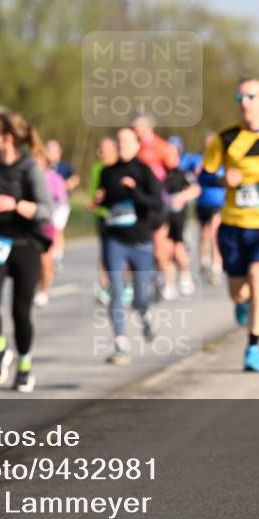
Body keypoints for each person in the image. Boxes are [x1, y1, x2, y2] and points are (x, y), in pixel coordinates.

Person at [202, 77, 259, 373]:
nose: (244, 102)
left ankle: (253, 347)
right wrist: (221, 180)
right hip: (233, 224)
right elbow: (204, 175)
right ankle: (242, 305)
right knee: (239, 292)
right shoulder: (225, 138)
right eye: (239, 97)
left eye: (251, 96)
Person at [0, 111, 53, 392]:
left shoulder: (29, 167)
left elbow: (46, 211)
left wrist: (15, 204)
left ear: (7, 137)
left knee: (21, 312)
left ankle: (24, 367)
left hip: (25, 243)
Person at [95, 126, 163, 365]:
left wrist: (135, 192)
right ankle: (120, 344)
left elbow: (156, 203)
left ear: (136, 145)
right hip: (115, 239)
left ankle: (145, 316)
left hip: (141, 240)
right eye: (119, 141)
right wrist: (99, 201)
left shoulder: (145, 172)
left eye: (127, 141)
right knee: (115, 290)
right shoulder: (107, 172)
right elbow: (106, 201)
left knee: (140, 297)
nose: (122, 145)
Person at [131, 114, 180, 296]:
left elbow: (175, 173)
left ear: (148, 128)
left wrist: (162, 189)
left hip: (157, 203)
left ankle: (168, 281)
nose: (136, 132)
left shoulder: (162, 147)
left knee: (159, 249)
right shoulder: (131, 149)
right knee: (136, 246)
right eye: (133, 129)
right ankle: (136, 286)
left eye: (138, 129)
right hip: (136, 202)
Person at [161, 136, 201, 299]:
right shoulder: (159, 173)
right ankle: (168, 284)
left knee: (178, 250)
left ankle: (185, 277)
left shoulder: (182, 173)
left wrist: (182, 197)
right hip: (162, 218)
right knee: (164, 251)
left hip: (178, 218)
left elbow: (196, 189)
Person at [33, 145, 67, 308]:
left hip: (48, 224)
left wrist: (57, 222)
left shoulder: (55, 179)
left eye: (39, 162)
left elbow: (62, 203)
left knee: (46, 263)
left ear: (46, 163)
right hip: (29, 226)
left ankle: (43, 290)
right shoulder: (26, 178)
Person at [87, 136, 119, 306]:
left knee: (123, 251)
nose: (100, 153)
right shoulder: (96, 167)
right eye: (99, 149)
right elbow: (94, 192)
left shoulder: (122, 166)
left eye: (104, 149)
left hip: (121, 215)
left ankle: (125, 286)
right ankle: (106, 287)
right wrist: (92, 202)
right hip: (103, 214)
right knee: (105, 252)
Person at [195, 132, 226, 282]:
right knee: (204, 234)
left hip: (218, 203)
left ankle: (216, 266)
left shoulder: (223, 160)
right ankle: (204, 261)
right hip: (202, 202)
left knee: (215, 232)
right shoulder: (199, 161)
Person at [45, 139, 78, 270]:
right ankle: (49, 254)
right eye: (48, 151)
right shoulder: (42, 166)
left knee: (57, 230)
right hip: (47, 203)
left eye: (54, 151)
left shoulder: (64, 166)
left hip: (61, 204)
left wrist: (65, 186)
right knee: (48, 230)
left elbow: (75, 178)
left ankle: (57, 257)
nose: (51, 154)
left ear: (59, 152)